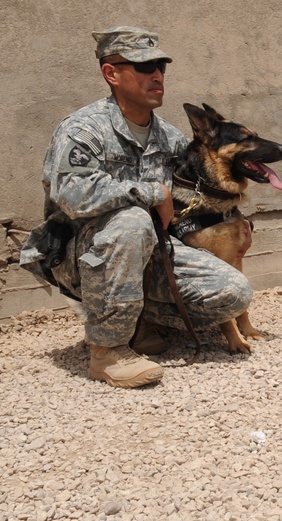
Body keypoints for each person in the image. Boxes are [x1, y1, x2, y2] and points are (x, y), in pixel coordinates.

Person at [19, 26, 253, 388]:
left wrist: (231, 219)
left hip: (149, 250)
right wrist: (151, 194)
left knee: (234, 293)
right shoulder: (84, 130)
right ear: (111, 73)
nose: (157, 75)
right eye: (144, 67)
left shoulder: (170, 137)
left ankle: (142, 319)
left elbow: (191, 194)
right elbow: (72, 194)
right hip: (82, 253)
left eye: (160, 67)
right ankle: (108, 350)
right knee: (131, 222)